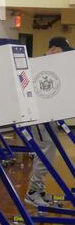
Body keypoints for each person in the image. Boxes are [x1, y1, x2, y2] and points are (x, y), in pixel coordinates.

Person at [25, 37, 74, 207]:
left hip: (49, 116)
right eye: (63, 51)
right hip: (40, 117)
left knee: (49, 154)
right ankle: (33, 192)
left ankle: (40, 191)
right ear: (53, 49)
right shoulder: (40, 65)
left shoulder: (50, 65)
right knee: (44, 153)